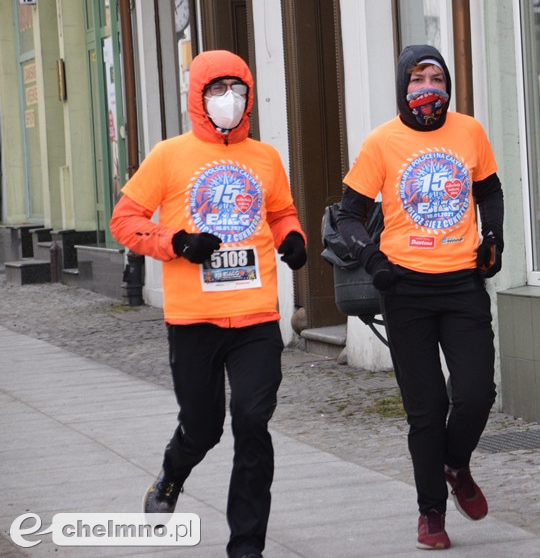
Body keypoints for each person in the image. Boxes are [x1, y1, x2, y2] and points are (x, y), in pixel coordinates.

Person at [109, 49, 307, 558]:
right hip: (193, 319)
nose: (229, 100)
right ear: (198, 96)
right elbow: (125, 220)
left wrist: (292, 237)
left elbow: (282, 211)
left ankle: (246, 545)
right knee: (203, 427)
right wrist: (176, 241)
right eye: (217, 90)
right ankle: (172, 473)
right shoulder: (169, 156)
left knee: (252, 422)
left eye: (237, 90)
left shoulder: (264, 157)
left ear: (250, 96)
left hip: (256, 317)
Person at [334, 44, 503, 550]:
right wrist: (373, 261)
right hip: (404, 288)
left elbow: (489, 190)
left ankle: (454, 463)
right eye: (417, 79)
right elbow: (348, 216)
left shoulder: (469, 131)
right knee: (425, 408)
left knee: (476, 393)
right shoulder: (381, 142)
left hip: (462, 283)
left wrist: (492, 237)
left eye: (436, 77)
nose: (428, 87)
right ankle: (431, 512)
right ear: (403, 88)